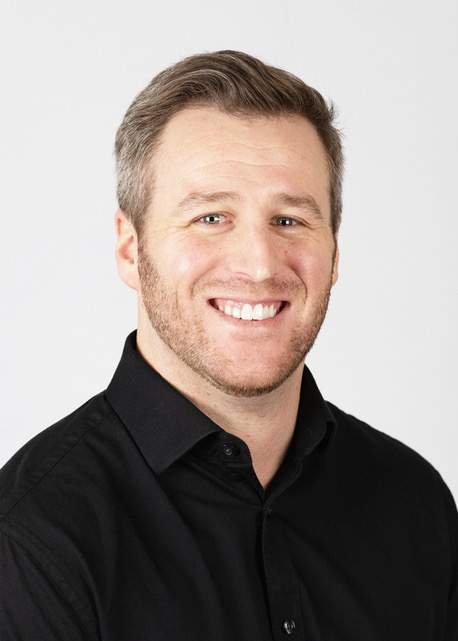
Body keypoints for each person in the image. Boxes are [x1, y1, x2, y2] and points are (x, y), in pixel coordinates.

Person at [0, 50, 456, 641]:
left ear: (335, 251)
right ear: (131, 249)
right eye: (211, 218)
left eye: (289, 220)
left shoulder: (415, 503)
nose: (260, 265)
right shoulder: (31, 542)